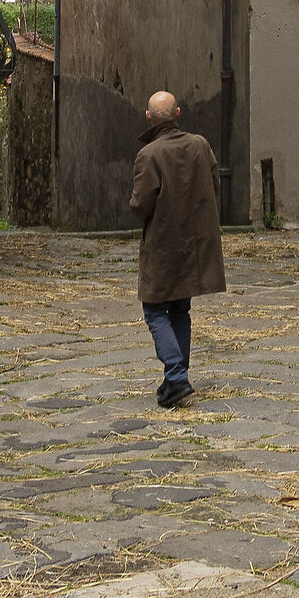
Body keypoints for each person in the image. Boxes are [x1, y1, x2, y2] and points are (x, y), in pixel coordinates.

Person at [128, 90, 226, 407]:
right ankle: (175, 379)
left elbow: (140, 204)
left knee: (155, 309)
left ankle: (176, 375)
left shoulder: (149, 155)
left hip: (163, 245)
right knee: (180, 309)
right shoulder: (201, 145)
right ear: (178, 113)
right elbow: (214, 187)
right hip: (194, 242)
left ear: (148, 118)